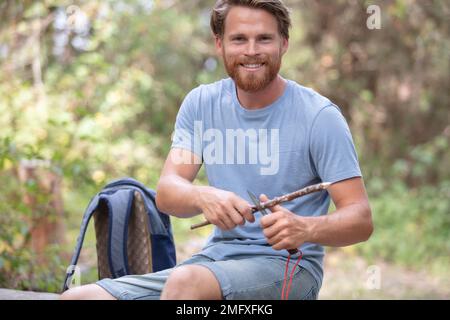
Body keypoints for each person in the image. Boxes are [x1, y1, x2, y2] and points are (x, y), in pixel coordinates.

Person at [61, 0, 373, 300]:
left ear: (284, 44)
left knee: (185, 284)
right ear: (220, 44)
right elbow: (168, 193)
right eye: (239, 39)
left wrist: (305, 227)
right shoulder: (201, 105)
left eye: (264, 39)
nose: (251, 51)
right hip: (215, 261)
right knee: (79, 296)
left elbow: (360, 219)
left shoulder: (319, 117)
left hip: (290, 267)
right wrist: (203, 196)